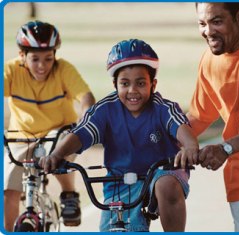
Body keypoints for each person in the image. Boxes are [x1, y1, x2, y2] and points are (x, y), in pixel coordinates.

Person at [39, 38, 199, 232]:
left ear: (153, 84)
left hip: (162, 171)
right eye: (125, 83)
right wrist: (57, 155)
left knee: (166, 185)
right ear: (115, 84)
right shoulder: (105, 110)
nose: (132, 91)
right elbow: (80, 132)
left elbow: (180, 126)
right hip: (120, 180)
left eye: (141, 83)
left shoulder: (162, 108)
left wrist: (190, 146)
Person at [4, 20, 95, 231]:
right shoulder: (10, 71)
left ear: (55, 54)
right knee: (9, 188)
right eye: (34, 59)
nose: (42, 66)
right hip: (22, 134)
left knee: (59, 153)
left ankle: (69, 194)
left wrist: (87, 117)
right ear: (22, 56)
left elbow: (85, 96)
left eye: (48, 58)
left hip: (58, 130)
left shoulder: (63, 69)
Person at [186, 3, 239, 232]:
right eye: (202, 24)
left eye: (216, 22)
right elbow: (197, 116)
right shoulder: (209, 61)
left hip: (232, 152)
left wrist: (225, 148)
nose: (208, 31)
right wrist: (152, 139)